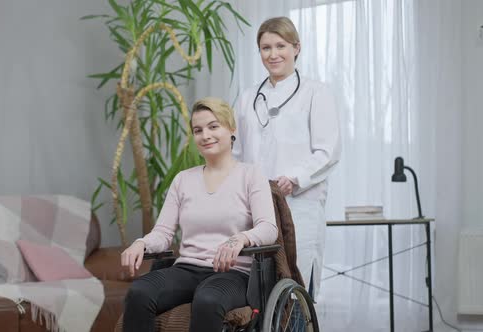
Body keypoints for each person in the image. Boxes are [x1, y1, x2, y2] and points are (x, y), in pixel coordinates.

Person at [120, 97, 278, 332]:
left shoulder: (250, 175)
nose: (205, 135)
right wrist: (141, 243)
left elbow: (269, 228)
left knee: (208, 300)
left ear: (231, 129)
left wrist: (241, 239)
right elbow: (163, 233)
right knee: (139, 292)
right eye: (198, 130)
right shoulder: (183, 179)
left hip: (232, 273)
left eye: (214, 126)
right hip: (186, 269)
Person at [233, 16, 341, 299]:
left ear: (296, 47)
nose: (273, 54)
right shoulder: (247, 98)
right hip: (256, 207)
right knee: (258, 289)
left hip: (299, 204)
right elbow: (236, 153)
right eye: (265, 47)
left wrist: (295, 179)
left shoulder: (316, 92)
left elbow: (328, 152)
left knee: (296, 285)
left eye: (280, 45)